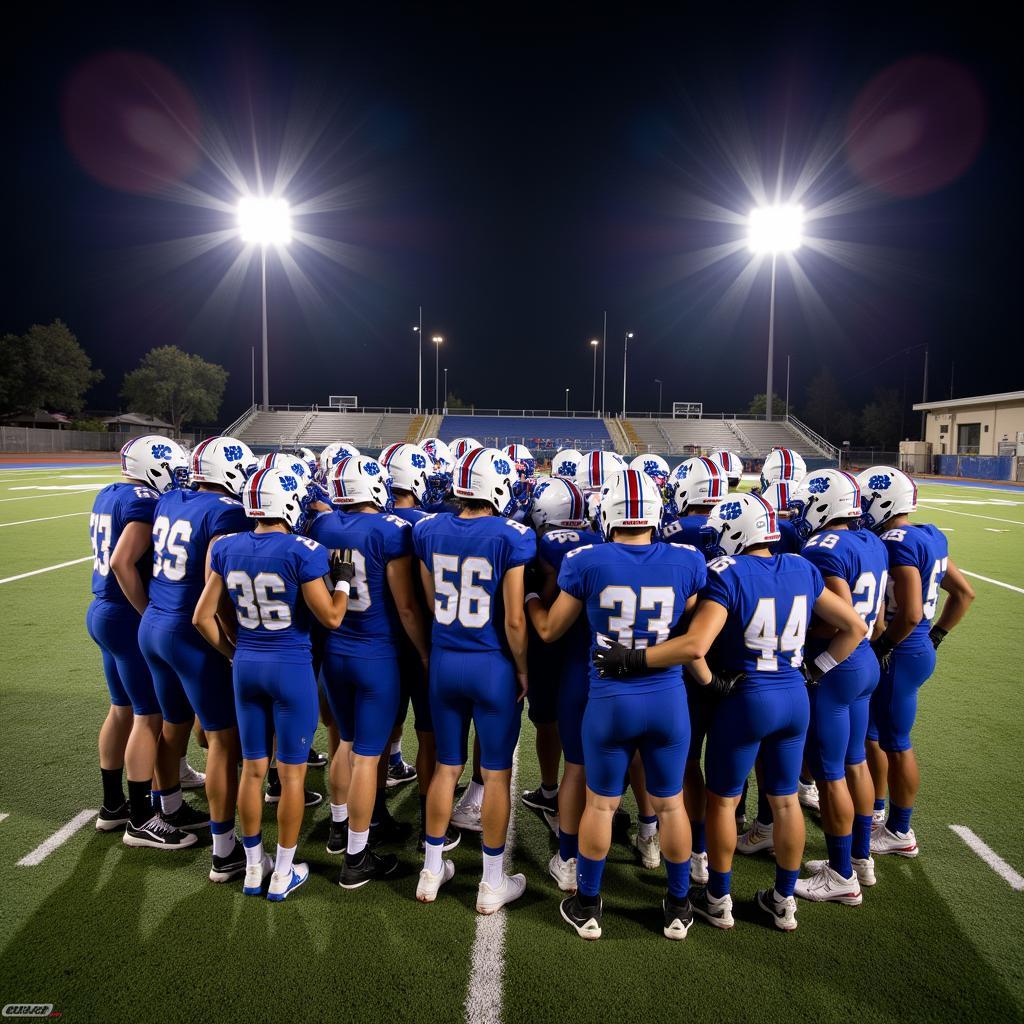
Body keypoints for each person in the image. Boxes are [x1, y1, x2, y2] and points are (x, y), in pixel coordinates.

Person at [596, 492, 867, 932]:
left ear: (736, 532)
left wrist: (694, 678)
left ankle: (718, 899)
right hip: (794, 695)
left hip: (747, 696)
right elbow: (855, 626)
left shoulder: (727, 572)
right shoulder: (801, 566)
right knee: (784, 801)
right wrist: (816, 670)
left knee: (724, 802)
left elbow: (695, 648)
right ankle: (783, 901)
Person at [527, 469, 706, 940]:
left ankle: (587, 907)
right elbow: (686, 609)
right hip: (667, 699)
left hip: (608, 700)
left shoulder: (587, 561)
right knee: (671, 808)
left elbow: (549, 630)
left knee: (601, 806)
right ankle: (679, 907)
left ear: (607, 514)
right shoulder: (686, 560)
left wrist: (528, 597)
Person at [193, 467, 353, 900]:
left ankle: (250, 867)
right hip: (290, 667)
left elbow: (201, 616)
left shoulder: (227, 547)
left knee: (252, 770)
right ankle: (282, 871)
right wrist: (342, 580)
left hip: (246, 665)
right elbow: (333, 617)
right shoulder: (304, 550)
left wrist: (232, 652)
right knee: (294, 774)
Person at [412, 447, 535, 913]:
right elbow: (515, 620)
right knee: (497, 774)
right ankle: (490, 882)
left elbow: (427, 596)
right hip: (491, 665)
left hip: (445, 658)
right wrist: (522, 667)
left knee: (447, 766)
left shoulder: (427, 529)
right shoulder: (512, 536)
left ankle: (430, 870)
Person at [309, 455, 434, 887]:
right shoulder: (389, 530)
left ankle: (339, 826)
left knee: (345, 743)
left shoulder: (322, 526)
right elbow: (405, 605)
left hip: (335, 651)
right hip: (376, 654)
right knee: (367, 755)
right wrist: (423, 652)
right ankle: (357, 859)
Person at [138, 435, 256, 880]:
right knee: (223, 741)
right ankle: (225, 850)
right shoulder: (226, 513)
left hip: (154, 622)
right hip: (191, 635)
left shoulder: (170, 498)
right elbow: (215, 588)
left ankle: (168, 809)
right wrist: (229, 645)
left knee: (173, 724)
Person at [783, 469, 889, 903]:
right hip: (864, 664)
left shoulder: (821, 548)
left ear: (823, 504)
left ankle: (841, 874)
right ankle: (860, 858)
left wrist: (817, 655)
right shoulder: (873, 542)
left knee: (831, 775)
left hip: (836, 667)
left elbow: (845, 619)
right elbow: (876, 623)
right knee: (855, 761)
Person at [857, 466, 974, 858]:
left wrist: (883, 646)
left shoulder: (897, 542)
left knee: (895, 742)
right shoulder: (929, 535)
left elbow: (907, 613)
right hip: (918, 646)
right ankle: (878, 812)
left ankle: (900, 831)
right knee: (876, 735)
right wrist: (936, 635)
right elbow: (964, 593)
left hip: (901, 649)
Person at [90, 434, 194, 848]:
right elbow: (121, 561)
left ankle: (113, 806)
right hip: (123, 612)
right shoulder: (144, 501)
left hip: (102, 609)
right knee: (147, 716)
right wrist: (146, 608)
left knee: (121, 709)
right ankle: (140, 818)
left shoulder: (109, 492)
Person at [378, 442, 460, 849]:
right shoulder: (429, 523)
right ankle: (432, 818)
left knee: (373, 737)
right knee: (429, 734)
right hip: (423, 640)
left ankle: (368, 817)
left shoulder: (363, 522)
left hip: (377, 643)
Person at [659, 455, 728, 882]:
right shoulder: (756, 530)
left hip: (678, 656)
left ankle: (661, 838)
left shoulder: (673, 531)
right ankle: (706, 850)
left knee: (682, 763)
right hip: (735, 657)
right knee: (725, 771)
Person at [521, 477, 594, 862]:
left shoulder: (545, 544)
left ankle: (551, 792)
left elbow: (547, 609)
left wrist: (529, 595)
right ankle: (645, 827)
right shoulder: (599, 540)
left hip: (554, 647)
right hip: (598, 653)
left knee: (548, 723)